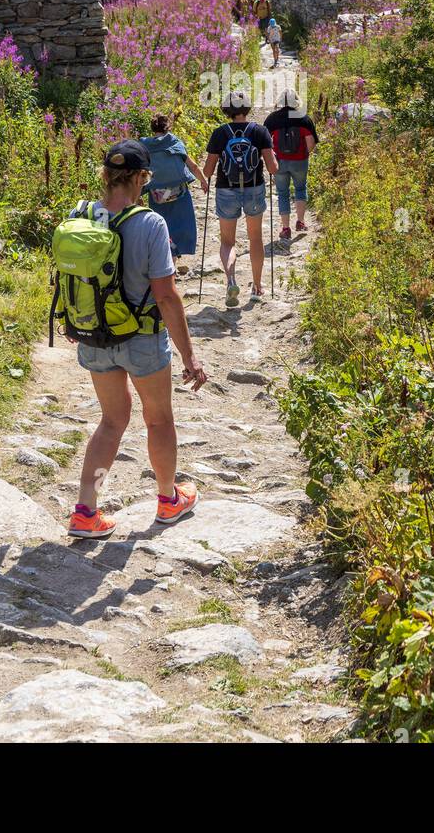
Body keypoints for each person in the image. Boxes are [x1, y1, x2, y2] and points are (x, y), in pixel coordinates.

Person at [66, 139, 206, 539]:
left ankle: (85, 512)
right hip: (142, 338)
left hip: (94, 337)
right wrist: (189, 356)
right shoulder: (150, 223)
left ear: (105, 176)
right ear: (143, 178)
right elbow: (165, 295)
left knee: (111, 421)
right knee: (159, 418)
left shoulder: (81, 214)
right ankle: (168, 500)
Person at [202, 90, 278, 305]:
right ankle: (257, 286)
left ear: (227, 110)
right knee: (255, 238)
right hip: (254, 188)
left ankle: (231, 281)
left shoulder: (220, 133)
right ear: (247, 108)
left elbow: (207, 172)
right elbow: (272, 168)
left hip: (226, 190)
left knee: (227, 241)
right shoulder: (260, 131)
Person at [141, 114, 207, 273]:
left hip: (157, 196)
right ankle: (171, 265)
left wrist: (136, 195)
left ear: (152, 129)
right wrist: (203, 181)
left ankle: (163, 265)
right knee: (180, 228)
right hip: (180, 194)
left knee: (161, 229)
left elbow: (141, 172)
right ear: (167, 127)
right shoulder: (175, 142)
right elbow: (193, 166)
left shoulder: (144, 146)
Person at [264, 87, 318, 241]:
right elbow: (311, 142)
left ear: (280, 101)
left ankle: (285, 228)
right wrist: (303, 154)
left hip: (279, 162)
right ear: (296, 100)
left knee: (282, 193)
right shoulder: (303, 118)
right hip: (300, 161)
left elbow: (265, 143)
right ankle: (300, 222)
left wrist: (269, 161)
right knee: (301, 188)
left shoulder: (272, 119)